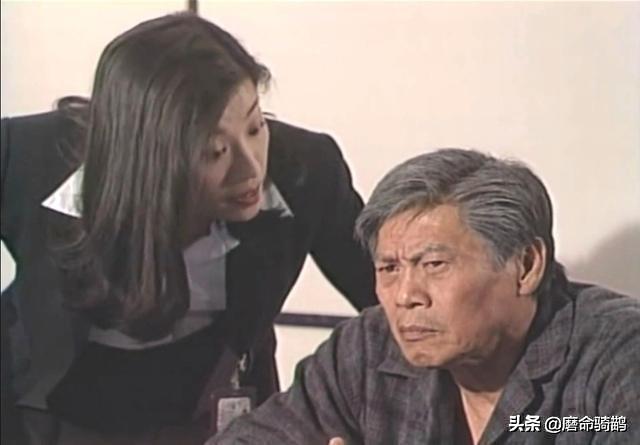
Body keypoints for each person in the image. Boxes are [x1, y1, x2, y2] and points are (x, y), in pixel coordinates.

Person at [0, 12, 376, 445]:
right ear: (149, 155)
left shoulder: (305, 169)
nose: (250, 169)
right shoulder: (26, 157)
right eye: (215, 151)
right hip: (50, 417)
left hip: (223, 419)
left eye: (256, 126)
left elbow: (393, 294)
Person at [209, 148, 640, 445]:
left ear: (525, 266)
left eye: (434, 264)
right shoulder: (369, 349)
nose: (405, 296)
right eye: (389, 269)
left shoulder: (619, 355)